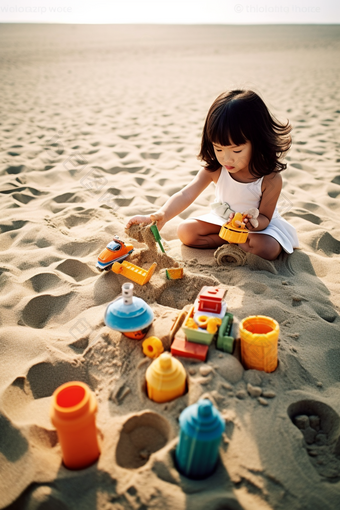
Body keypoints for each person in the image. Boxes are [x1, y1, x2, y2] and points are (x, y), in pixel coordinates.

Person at [126, 90, 299, 261]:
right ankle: (230, 240)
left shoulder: (270, 179)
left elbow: (265, 218)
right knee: (185, 231)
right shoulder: (216, 169)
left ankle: (237, 241)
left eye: (236, 150)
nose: (226, 158)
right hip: (223, 222)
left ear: (258, 142)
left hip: (256, 229)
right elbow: (186, 194)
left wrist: (253, 223)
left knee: (267, 248)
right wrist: (162, 215)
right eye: (218, 149)